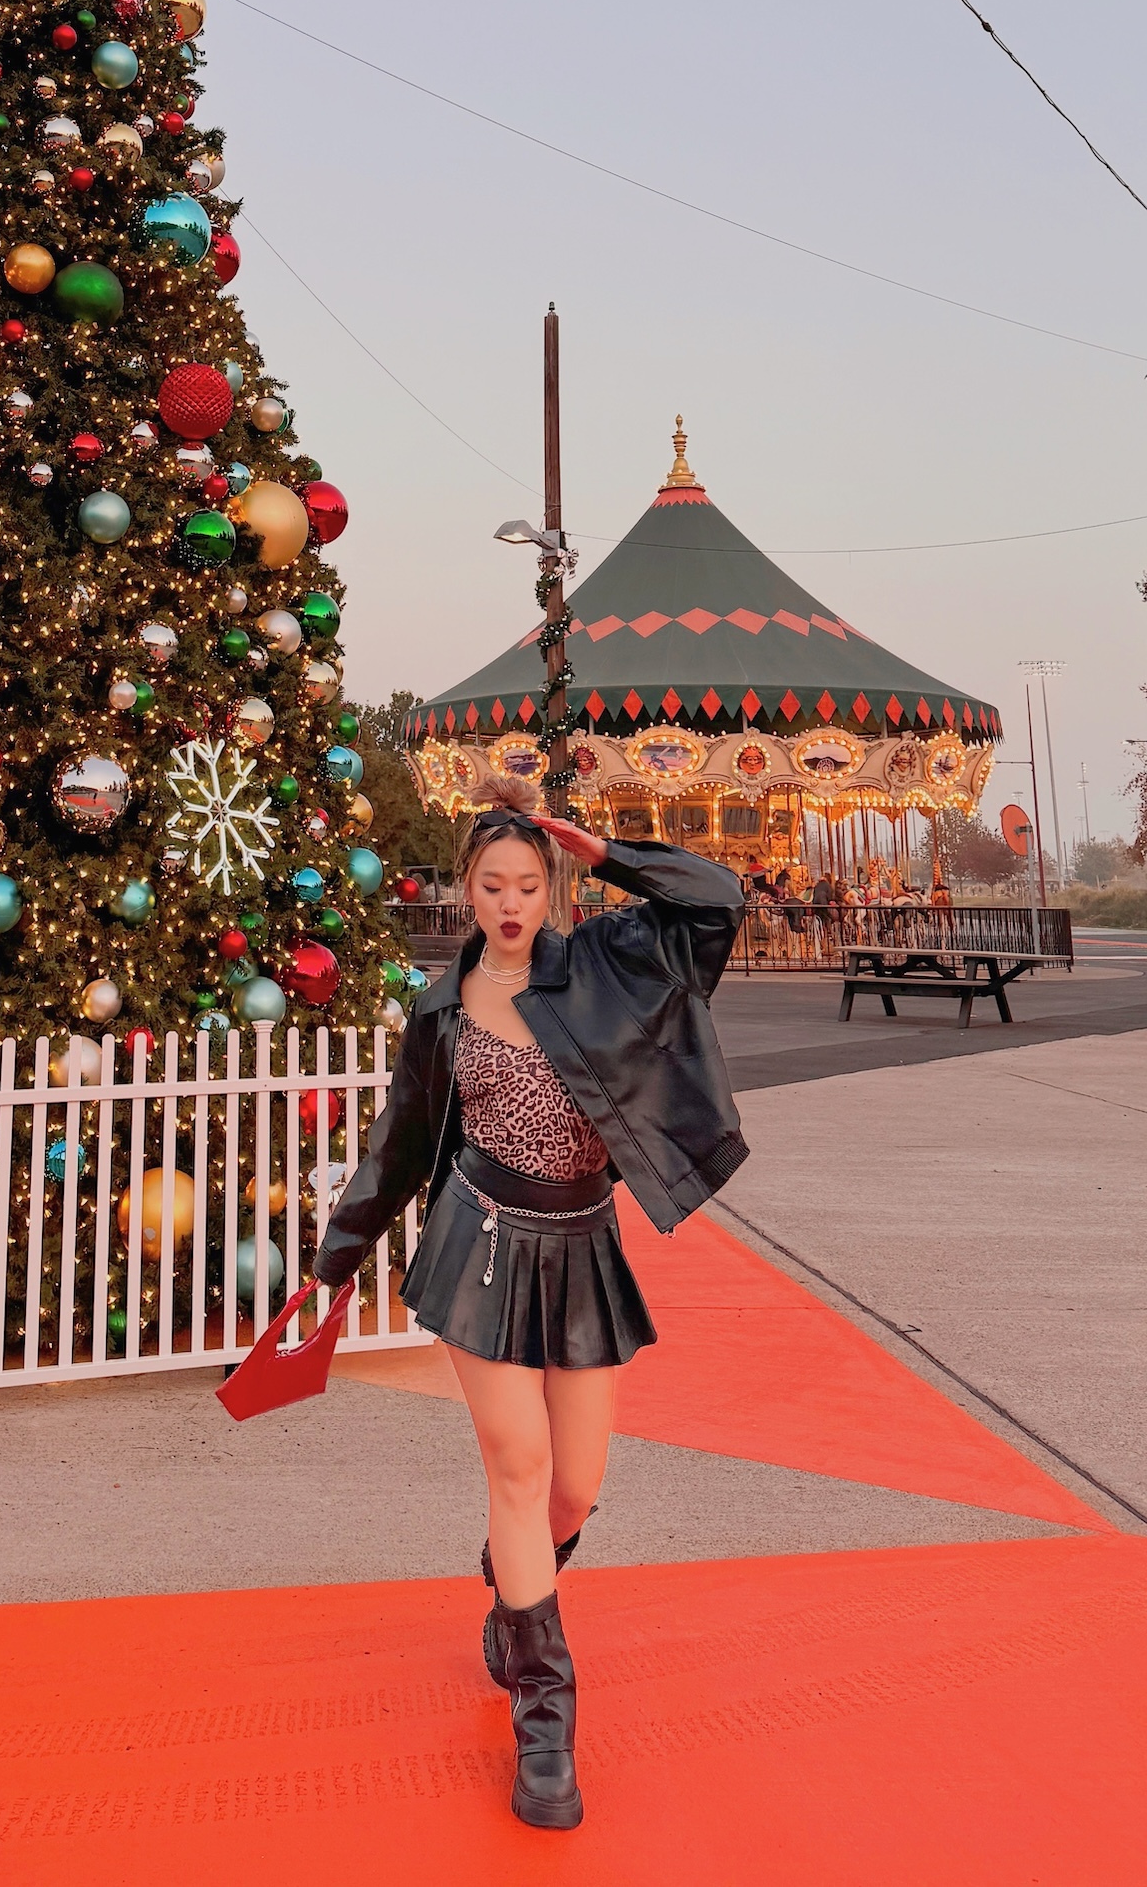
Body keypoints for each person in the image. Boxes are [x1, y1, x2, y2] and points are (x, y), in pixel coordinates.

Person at [310, 779, 746, 1833]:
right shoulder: (440, 1005)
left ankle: (515, 1592)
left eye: (528, 885)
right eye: (492, 885)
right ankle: (546, 1720)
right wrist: (339, 1255)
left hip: (583, 1241)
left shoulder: (607, 963)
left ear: (552, 887)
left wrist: (603, 851)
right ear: (465, 888)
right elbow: (400, 1144)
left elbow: (716, 900)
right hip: (481, 1243)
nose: (510, 904)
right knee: (518, 1466)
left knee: (574, 1488)